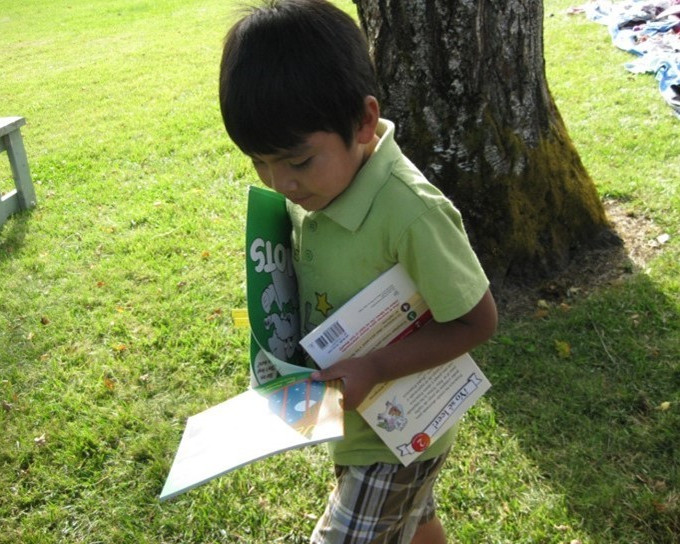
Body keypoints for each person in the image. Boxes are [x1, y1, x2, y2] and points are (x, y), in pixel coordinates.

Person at [219, 1, 498, 542]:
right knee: (416, 521)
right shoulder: (323, 192)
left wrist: (375, 365)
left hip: (397, 432)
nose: (281, 183)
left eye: (298, 162)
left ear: (365, 122)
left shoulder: (411, 212)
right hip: (357, 420)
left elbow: (477, 322)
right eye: (259, 162)